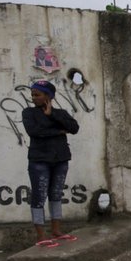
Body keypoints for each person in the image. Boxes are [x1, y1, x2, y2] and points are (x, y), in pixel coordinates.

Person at [22, 79, 80, 247]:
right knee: (39, 196)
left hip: (60, 160)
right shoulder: (29, 113)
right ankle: (41, 235)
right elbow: (34, 131)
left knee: (56, 194)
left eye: (37, 95)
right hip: (39, 160)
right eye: (32, 95)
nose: (33, 98)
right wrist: (59, 131)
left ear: (48, 96)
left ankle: (56, 230)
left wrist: (51, 115)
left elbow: (74, 128)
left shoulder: (60, 113)